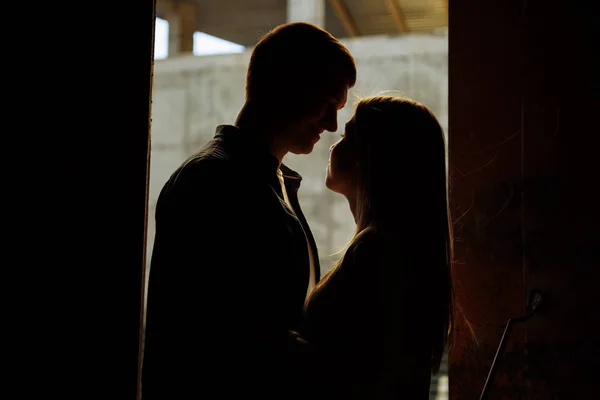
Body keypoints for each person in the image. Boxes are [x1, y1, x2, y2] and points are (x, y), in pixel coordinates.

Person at [141, 22, 356, 400]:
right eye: (326, 104)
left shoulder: (262, 180)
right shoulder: (211, 181)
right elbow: (226, 332)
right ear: (287, 87)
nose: (332, 124)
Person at [304, 96, 455, 399]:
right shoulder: (398, 248)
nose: (333, 143)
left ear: (371, 156)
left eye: (348, 136)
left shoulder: (374, 252)